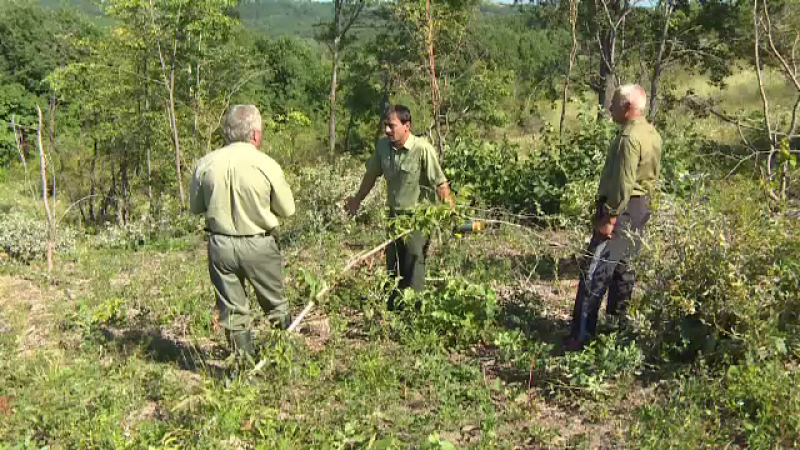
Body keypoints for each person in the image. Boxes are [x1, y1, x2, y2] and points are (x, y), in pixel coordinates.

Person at [190, 105, 295, 360]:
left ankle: (243, 365)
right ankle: (286, 360)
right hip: (259, 245)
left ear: (226, 133)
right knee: (275, 304)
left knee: (233, 312)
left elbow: (196, 207)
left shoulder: (204, 164)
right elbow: (287, 209)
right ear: (256, 135)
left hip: (221, 245)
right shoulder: (266, 164)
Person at [565, 85, 662, 350]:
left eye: (615, 104)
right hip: (641, 207)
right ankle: (615, 332)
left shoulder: (628, 139)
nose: (610, 108)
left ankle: (581, 336)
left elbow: (623, 182)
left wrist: (610, 216)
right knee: (623, 270)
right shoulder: (651, 133)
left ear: (628, 107)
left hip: (621, 210)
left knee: (594, 271)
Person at [345, 105, 454, 310]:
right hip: (394, 217)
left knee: (413, 263)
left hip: (417, 218)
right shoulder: (383, 147)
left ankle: (416, 312)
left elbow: (440, 184)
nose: (387, 130)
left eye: (391, 126)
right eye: (386, 125)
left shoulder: (422, 149)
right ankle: (394, 311)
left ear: (407, 126)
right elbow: (371, 175)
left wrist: (450, 214)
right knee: (393, 265)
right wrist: (357, 199)